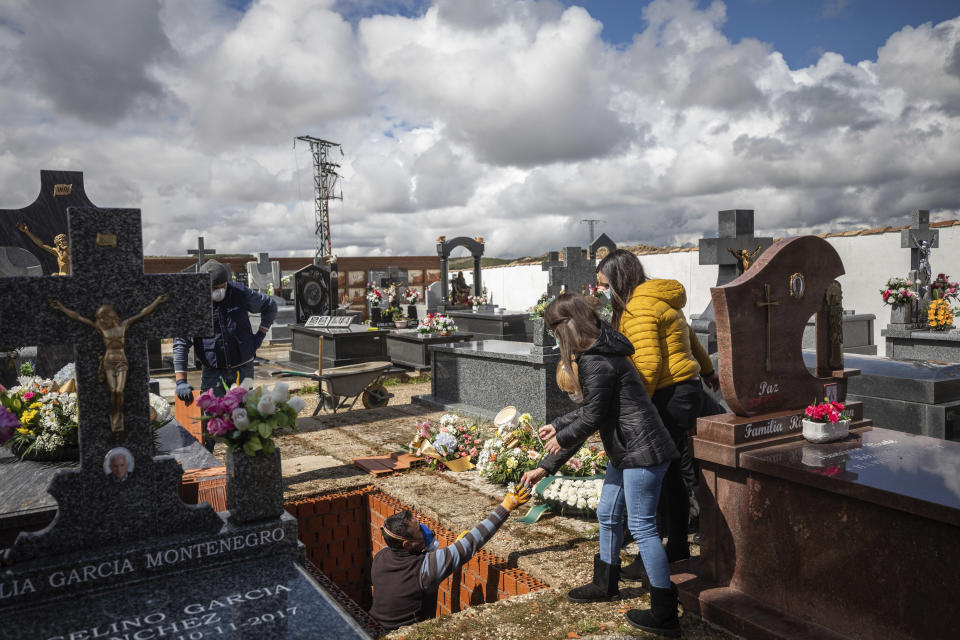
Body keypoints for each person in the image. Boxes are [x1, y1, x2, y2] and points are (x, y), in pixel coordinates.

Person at [520, 294, 681, 637]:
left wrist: (561, 441)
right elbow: (596, 407)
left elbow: (593, 415)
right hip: (628, 449)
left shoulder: (596, 359)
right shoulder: (602, 351)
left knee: (642, 528)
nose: (555, 338)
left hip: (641, 452)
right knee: (608, 512)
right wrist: (560, 426)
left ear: (568, 325)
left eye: (554, 329)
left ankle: (665, 613)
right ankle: (605, 583)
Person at [596, 249, 717, 570]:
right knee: (672, 473)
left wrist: (636, 410)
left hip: (664, 395)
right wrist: (706, 371)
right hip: (686, 387)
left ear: (619, 279)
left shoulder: (637, 309)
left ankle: (666, 548)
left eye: (606, 285)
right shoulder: (661, 298)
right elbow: (689, 337)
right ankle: (673, 544)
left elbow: (648, 366)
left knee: (660, 475)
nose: (604, 292)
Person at [369, 484, 530, 631]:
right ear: (407, 544)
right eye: (418, 528)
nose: (424, 529)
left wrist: (450, 549)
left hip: (373, 627)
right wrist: (506, 506)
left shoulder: (381, 556)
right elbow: (472, 542)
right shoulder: (425, 569)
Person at [173, 260, 277, 451]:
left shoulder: (240, 293)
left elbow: (270, 305)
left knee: (244, 417)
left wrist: (260, 334)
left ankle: (244, 458)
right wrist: (180, 380)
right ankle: (206, 462)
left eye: (221, 287)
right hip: (214, 371)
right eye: (213, 288)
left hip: (242, 368)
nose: (218, 291)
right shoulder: (194, 304)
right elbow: (181, 342)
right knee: (209, 421)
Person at [49, 294, 169, 438]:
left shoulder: (124, 325)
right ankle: (116, 422)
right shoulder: (101, 328)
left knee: (119, 391)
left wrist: (156, 301)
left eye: (102, 317)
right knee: (113, 391)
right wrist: (62, 308)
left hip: (122, 362)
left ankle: (119, 420)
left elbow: (143, 313)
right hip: (108, 362)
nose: (100, 320)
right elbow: (79, 318)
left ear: (109, 316)